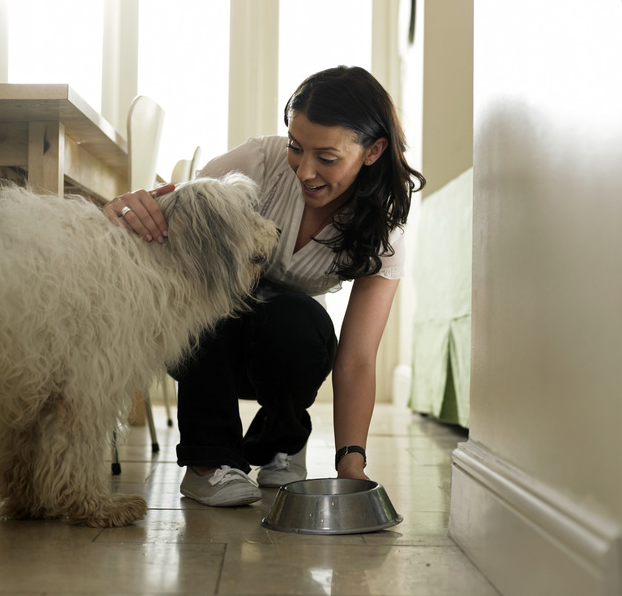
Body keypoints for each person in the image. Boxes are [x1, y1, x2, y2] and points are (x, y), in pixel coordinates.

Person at [103, 66, 425, 507]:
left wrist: (351, 463)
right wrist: (128, 208)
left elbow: (356, 360)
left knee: (304, 322)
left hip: (279, 354)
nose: (305, 171)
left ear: (373, 151)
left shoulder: (382, 233)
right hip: (206, 350)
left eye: (326, 158)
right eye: (297, 148)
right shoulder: (258, 163)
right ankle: (208, 461)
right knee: (209, 300)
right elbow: (170, 208)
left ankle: (283, 441)